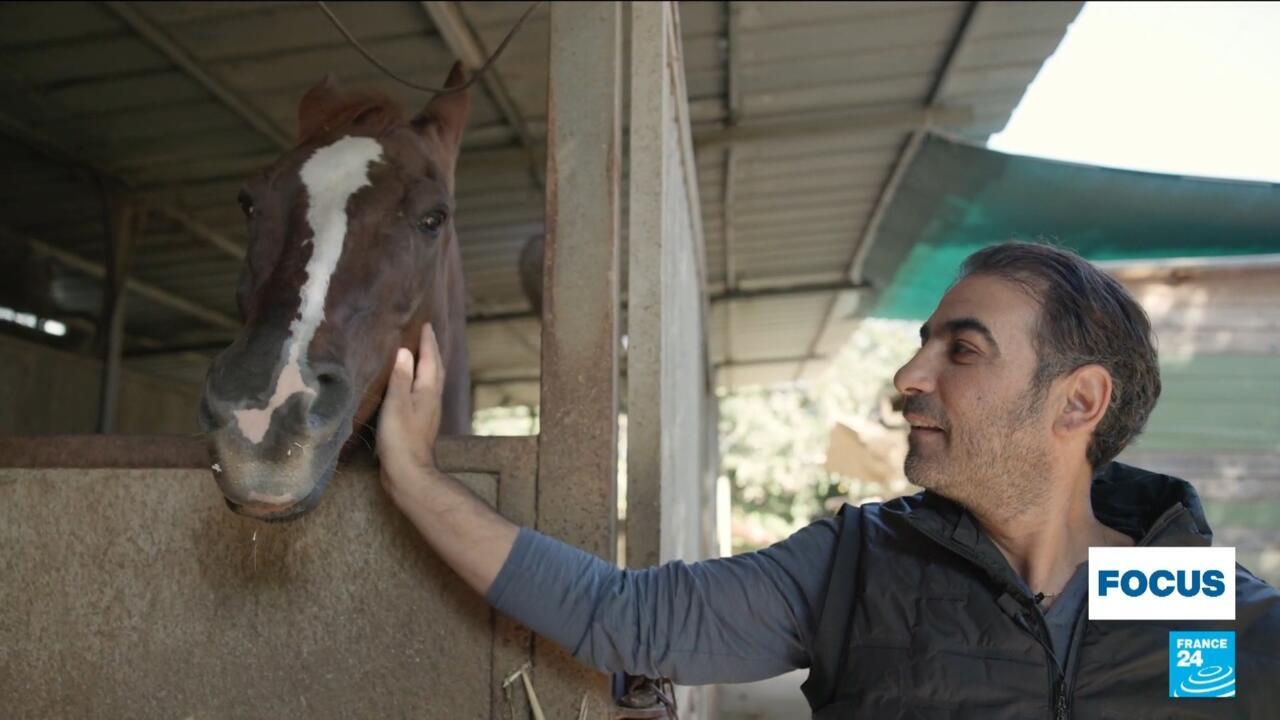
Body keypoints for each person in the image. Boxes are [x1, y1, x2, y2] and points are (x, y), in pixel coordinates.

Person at [375, 242, 1279, 718]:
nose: (909, 376)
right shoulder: (856, 566)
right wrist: (414, 475)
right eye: (922, 341)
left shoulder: (1190, 596)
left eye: (961, 348)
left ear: (1077, 402)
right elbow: (627, 619)